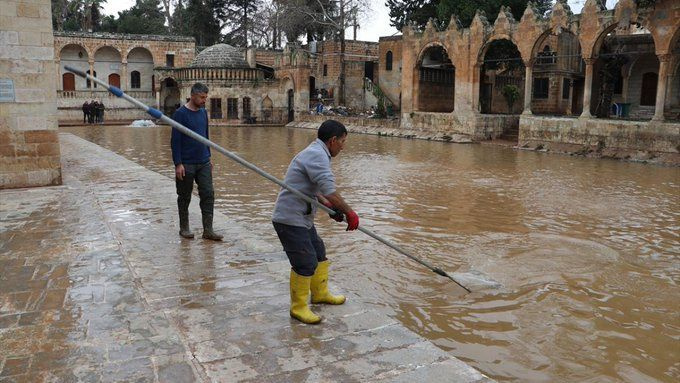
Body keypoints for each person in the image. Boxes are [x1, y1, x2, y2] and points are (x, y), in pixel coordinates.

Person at [272, 119, 360, 324]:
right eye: (343, 142)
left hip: (302, 218)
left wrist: (331, 208)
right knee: (305, 262)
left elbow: (318, 191)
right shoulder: (317, 156)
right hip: (289, 219)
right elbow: (329, 190)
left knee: (319, 252)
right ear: (332, 140)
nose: (343, 146)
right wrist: (349, 212)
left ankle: (320, 294)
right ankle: (298, 307)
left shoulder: (318, 152)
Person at [171, 82, 223, 241]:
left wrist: (209, 156)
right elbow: (175, 141)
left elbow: (205, 136)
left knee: (208, 194)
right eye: (201, 97)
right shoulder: (180, 114)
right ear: (192, 95)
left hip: (204, 162)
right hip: (186, 163)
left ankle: (208, 230)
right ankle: (184, 228)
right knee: (184, 195)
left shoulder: (202, 113)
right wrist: (178, 163)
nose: (204, 100)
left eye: (205, 97)